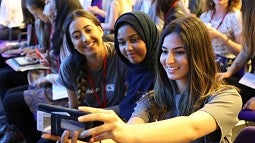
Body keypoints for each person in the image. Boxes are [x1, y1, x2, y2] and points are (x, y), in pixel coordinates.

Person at [62, 16, 242, 143]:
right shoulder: (152, 98)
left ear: (198, 55)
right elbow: (133, 131)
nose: (168, 60)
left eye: (179, 52)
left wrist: (124, 132)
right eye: (164, 51)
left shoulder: (226, 97)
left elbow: (192, 128)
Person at [1, 0, 82, 142]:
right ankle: (18, 131)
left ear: (59, 7)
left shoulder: (69, 30)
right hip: (60, 84)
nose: (46, 3)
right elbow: (60, 65)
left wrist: (46, 77)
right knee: (9, 94)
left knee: (10, 100)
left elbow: (70, 76)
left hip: (66, 91)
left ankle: (28, 135)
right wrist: (47, 60)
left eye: (49, 2)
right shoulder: (58, 28)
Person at [57, 9, 127, 111]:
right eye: (77, 36)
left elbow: (133, 102)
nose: (85, 38)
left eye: (89, 30)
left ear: (100, 30)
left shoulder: (121, 54)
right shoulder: (69, 66)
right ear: (73, 44)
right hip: (89, 122)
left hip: (122, 120)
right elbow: (74, 108)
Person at [114, 11, 159, 121]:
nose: (128, 48)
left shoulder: (162, 71)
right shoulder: (133, 68)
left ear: (148, 37)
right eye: (122, 43)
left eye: (134, 40)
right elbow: (127, 107)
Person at [218, 0, 255, 109]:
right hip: (252, 82)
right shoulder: (251, 31)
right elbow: (245, 52)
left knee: (219, 93)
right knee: (215, 84)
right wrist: (228, 73)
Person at [200, 0, 243, 78]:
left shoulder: (236, 16)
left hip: (227, 67)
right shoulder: (205, 16)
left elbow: (242, 51)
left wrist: (219, 36)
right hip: (206, 63)